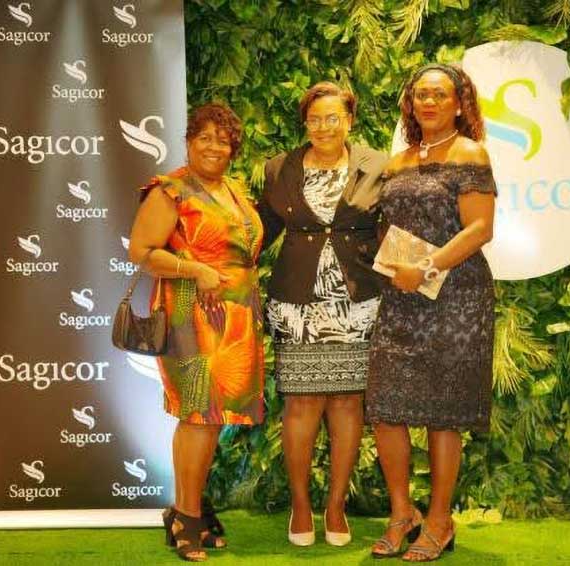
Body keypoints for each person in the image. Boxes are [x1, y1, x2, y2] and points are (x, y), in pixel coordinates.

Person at [366, 63, 497, 562]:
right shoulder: (397, 162)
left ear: (460, 103)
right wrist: (395, 262)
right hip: (401, 297)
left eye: (440, 94)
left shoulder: (469, 153)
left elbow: (480, 229)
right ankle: (403, 513)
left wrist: (423, 266)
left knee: (444, 414)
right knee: (386, 406)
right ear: (410, 103)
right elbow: (388, 224)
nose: (429, 101)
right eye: (420, 94)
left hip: (458, 297)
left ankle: (440, 520)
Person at [128, 102, 265, 562]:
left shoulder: (234, 190)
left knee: (212, 421)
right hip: (191, 311)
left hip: (236, 316)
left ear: (233, 149)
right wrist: (194, 268)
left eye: (222, 140)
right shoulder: (170, 190)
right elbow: (141, 251)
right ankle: (186, 518)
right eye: (204, 137)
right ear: (189, 141)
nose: (213, 146)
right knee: (198, 416)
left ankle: (190, 508)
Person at [258, 81, 387, 546]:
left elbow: (392, 225)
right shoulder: (280, 169)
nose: (323, 127)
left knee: (347, 403)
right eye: (314, 119)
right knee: (301, 402)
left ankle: (335, 507)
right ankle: (300, 505)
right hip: (297, 304)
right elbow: (261, 229)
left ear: (350, 120)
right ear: (305, 123)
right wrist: (225, 267)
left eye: (333, 117)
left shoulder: (376, 166)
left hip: (355, 301)